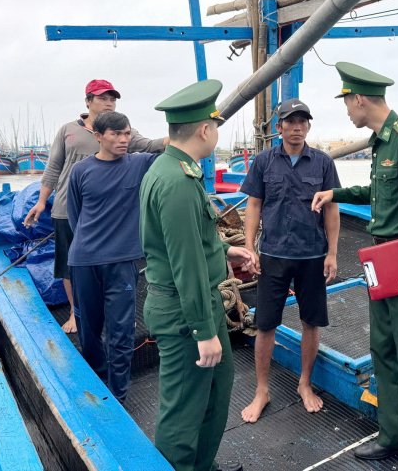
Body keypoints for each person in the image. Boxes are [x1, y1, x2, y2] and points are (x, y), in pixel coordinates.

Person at [311, 63, 398, 471]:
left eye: (347, 103)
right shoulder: (381, 141)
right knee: (383, 350)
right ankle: (391, 435)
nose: (347, 111)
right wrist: (336, 191)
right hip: (379, 261)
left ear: (359, 99)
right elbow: (379, 192)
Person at [140, 79, 255, 471]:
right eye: (215, 126)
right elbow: (184, 264)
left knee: (216, 392)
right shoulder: (176, 182)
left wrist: (225, 249)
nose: (216, 133)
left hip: (199, 305)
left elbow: (192, 238)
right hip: (186, 312)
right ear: (204, 129)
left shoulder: (179, 170)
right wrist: (203, 332)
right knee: (183, 409)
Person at [23, 79, 168, 333]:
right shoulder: (68, 130)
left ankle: (118, 312)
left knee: (114, 264)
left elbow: (149, 146)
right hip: (67, 206)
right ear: (88, 101)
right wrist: (41, 201)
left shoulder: (122, 130)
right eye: (102, 98)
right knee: (70, 264)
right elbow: (54, 167)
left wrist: (179, 136)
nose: (109, 103)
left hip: (107, 212)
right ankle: (75, 311)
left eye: (112, 99)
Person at [239, 98, 342, 423]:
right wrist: (249, 248)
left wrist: (333, 253)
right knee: (266, 323)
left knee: (311, 321)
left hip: (312, 256)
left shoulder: (323, 163)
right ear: (278, 127)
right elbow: (254, 205)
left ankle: (305, 383)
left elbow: (332, 209)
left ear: (308, 126)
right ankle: (262, 391)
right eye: (290, 122)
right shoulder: (264, 161)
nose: (297, 128)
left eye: (302, 122)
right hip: (273, 255)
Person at [66, 111, 159, 404]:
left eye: (127, 134)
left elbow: (175, 150)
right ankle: (98, 378)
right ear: (98, 136)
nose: (123, 140)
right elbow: (74, 216)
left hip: (122, 262)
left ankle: (118, 394)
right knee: (89, 328)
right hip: (84, 260)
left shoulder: (140, 163)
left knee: (121, 329)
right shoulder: (81, 171)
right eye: (116, 135)